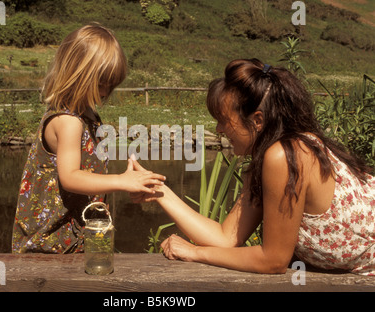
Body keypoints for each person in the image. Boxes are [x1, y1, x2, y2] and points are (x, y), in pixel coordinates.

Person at [131, 58, 375, 275]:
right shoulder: (275, 157)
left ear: (257, 120)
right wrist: (158, 190)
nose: (218, 130)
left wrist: (195, 252)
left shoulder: (287, 156)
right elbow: (226, 238)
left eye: (224, 121)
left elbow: (273, 260)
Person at [12, 24, 166, 254]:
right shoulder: (68, 121)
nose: (105, 92)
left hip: (75, 236)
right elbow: (70, 178)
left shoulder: (87, 115)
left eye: (111, 85)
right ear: (76, 74)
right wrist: (122, 181)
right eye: (101, 83)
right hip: (51, 243)